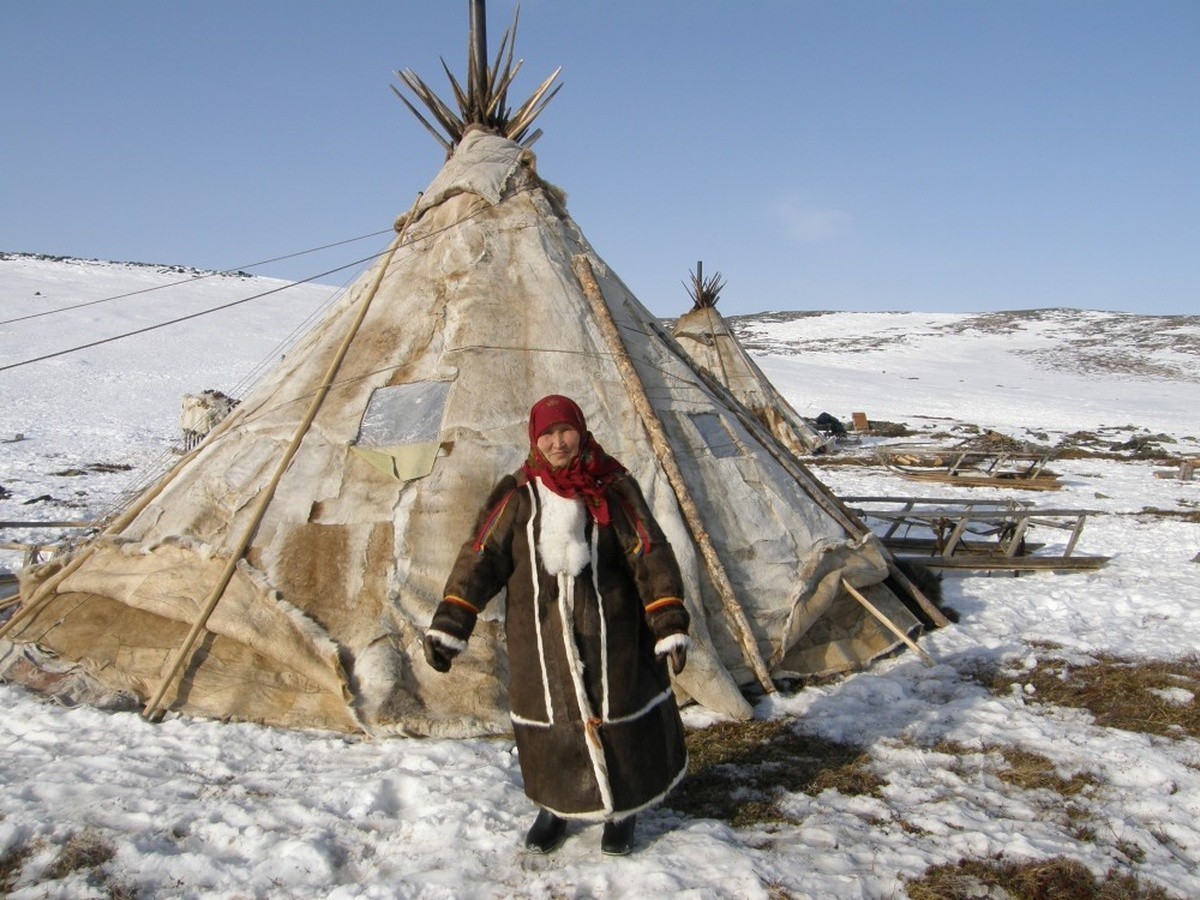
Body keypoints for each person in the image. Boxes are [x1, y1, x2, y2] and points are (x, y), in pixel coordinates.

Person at [423, 394, 691, 856]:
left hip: (613, 631)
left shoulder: (613, 486)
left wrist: (666, 618)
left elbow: (648, 550)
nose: (557, 442)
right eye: (546, 434)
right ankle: (554, 807)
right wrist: (452, 621)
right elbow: (480, 556)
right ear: (534, 438)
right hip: (539, 636)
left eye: (565, 430)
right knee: (549, 720)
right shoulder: (517, 494)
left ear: (581, 431)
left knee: (619, 714)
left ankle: (623, 811)